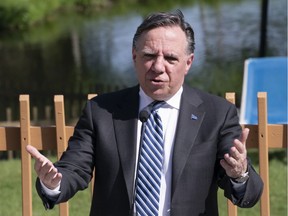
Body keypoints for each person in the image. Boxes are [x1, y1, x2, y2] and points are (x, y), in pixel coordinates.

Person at [26, 10, 263, 216]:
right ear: (134, 56)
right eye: (149, 56)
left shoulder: (217, 114)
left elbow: (248, 193)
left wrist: (239, 174)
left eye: (170, 58)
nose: (158, 67)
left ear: (188, 62)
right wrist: (53, 182)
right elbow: (75, 168)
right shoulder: (101, 111)